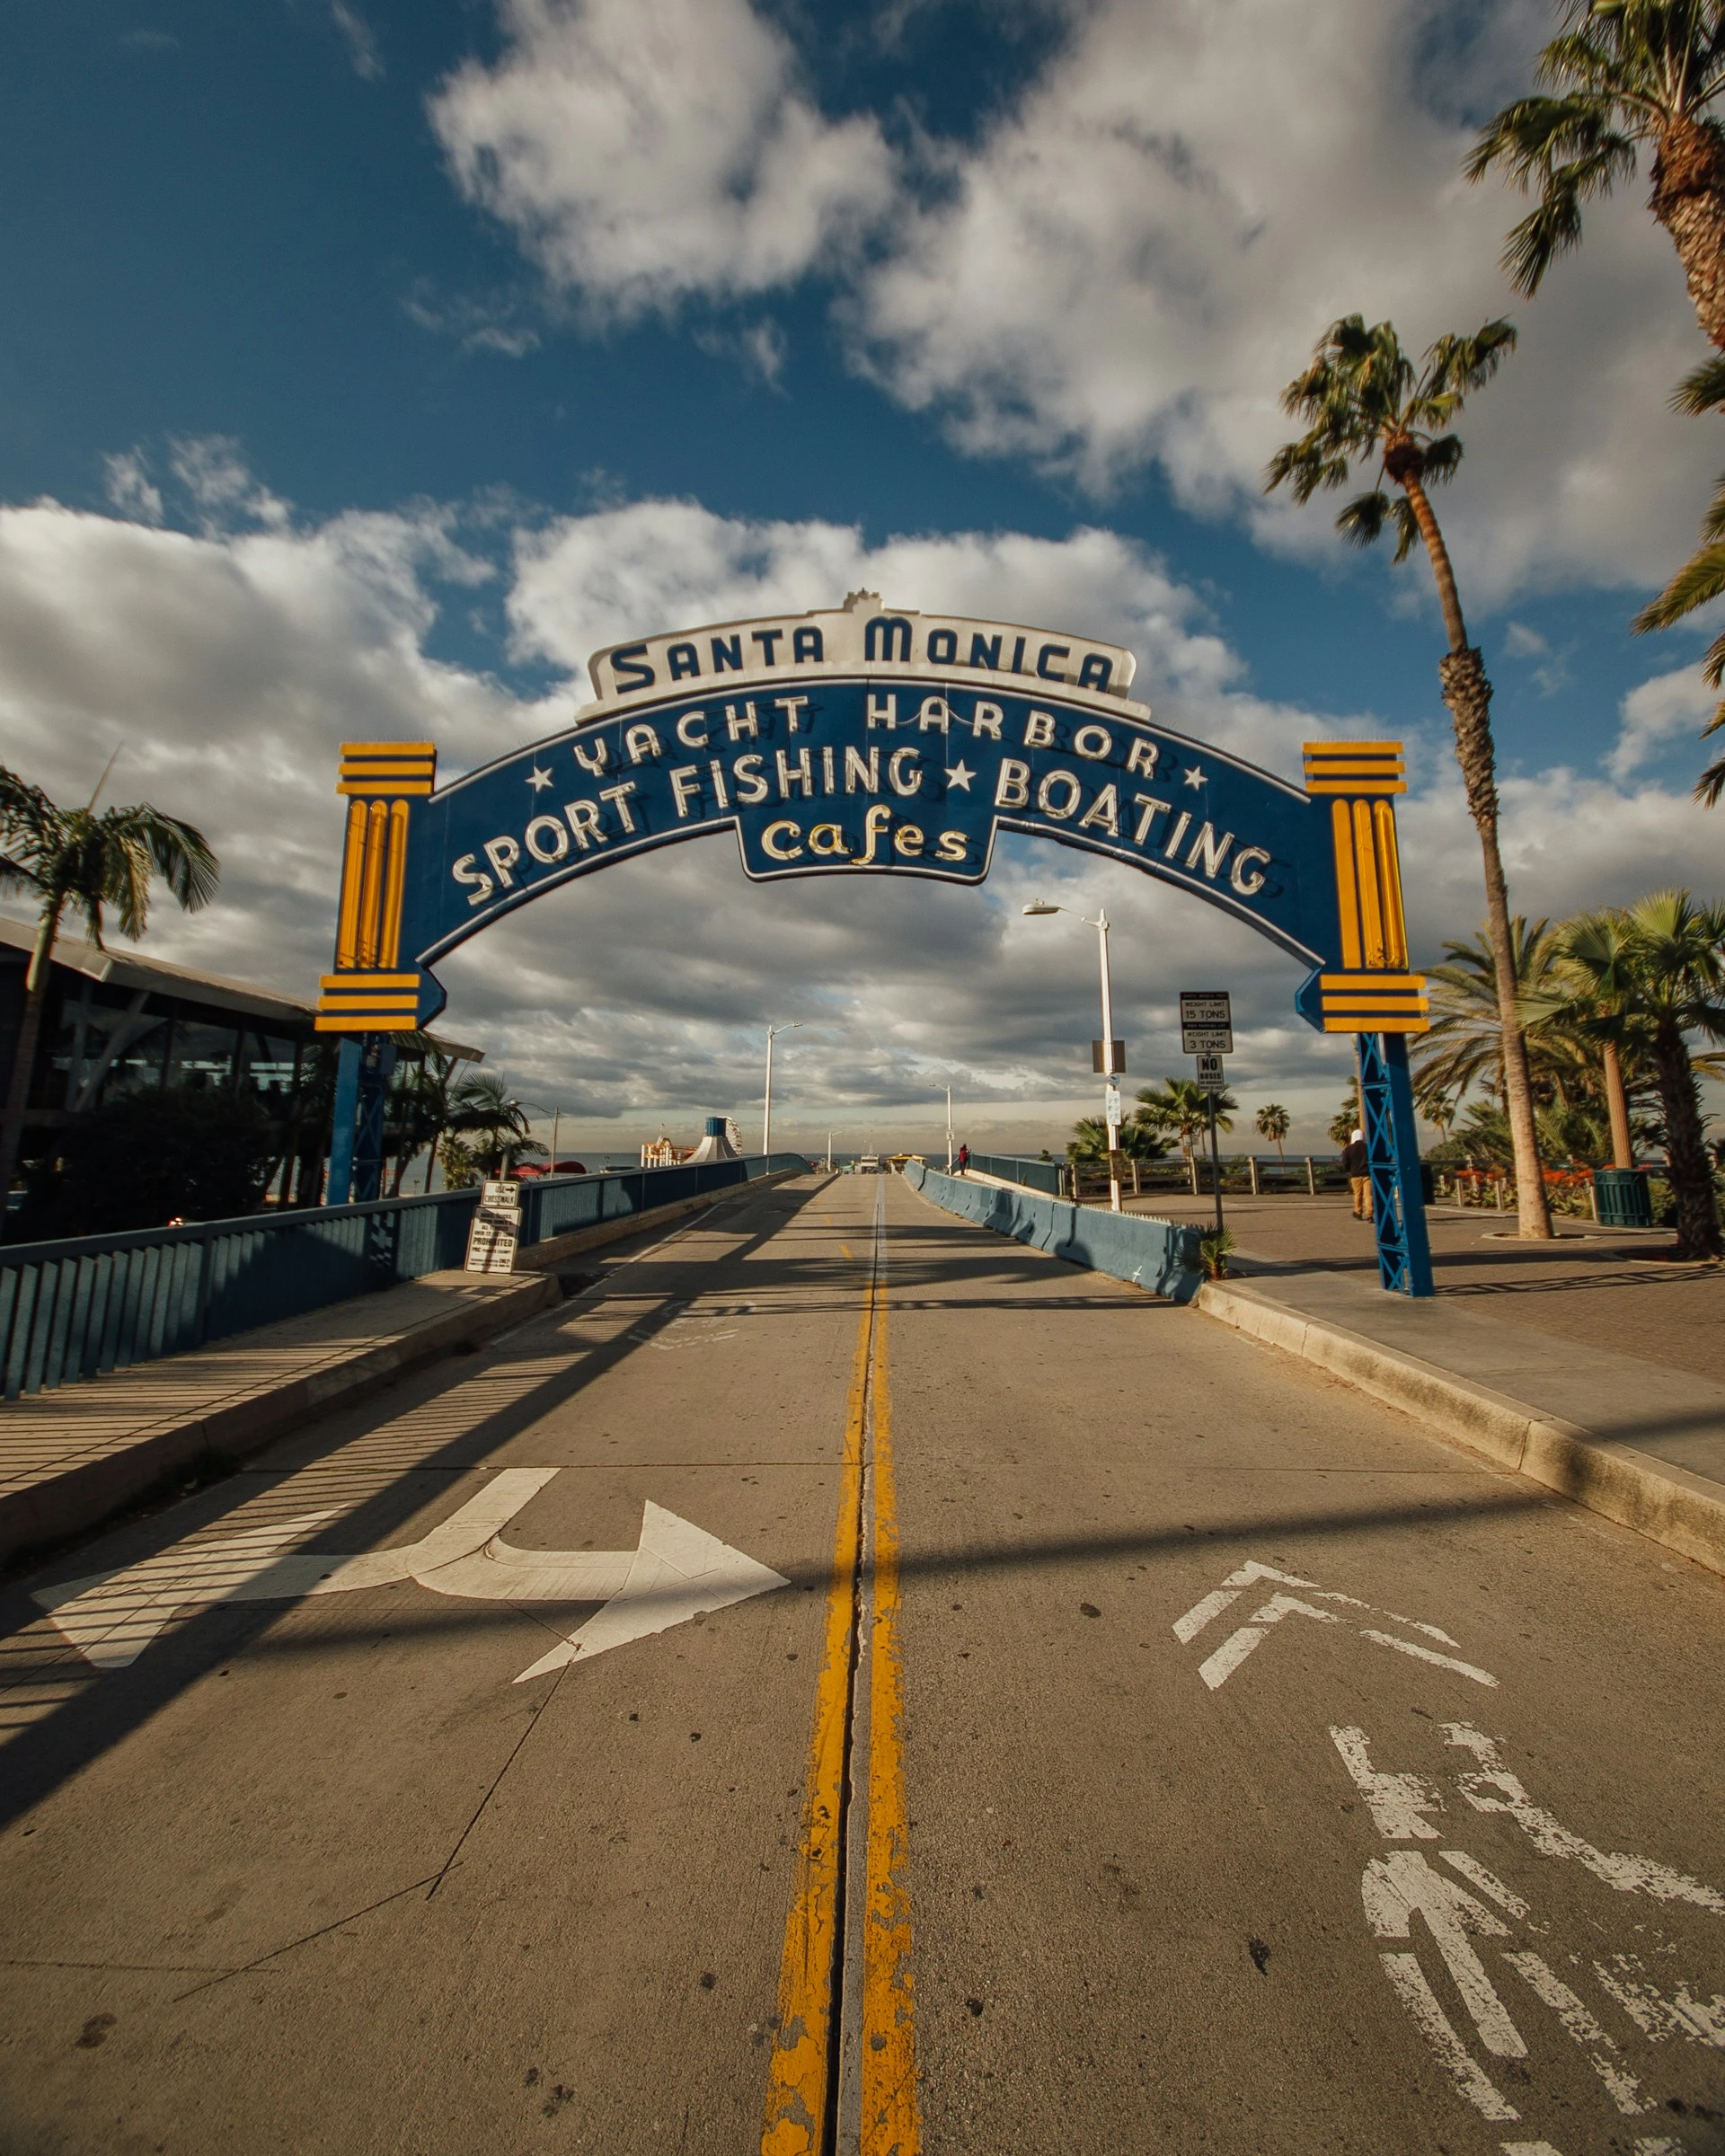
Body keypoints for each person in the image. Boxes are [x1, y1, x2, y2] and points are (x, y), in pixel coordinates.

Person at [1340, 1127, 1371, 1221]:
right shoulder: (1368, 1147)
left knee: (1358, 1194)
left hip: (1355, 1175)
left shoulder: (1348, 1149)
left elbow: (1345, 1163)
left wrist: (1349, 1170)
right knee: (1368, 1195)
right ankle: (1370, 1214)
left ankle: (1358, 1212)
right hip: (1367, 1174)